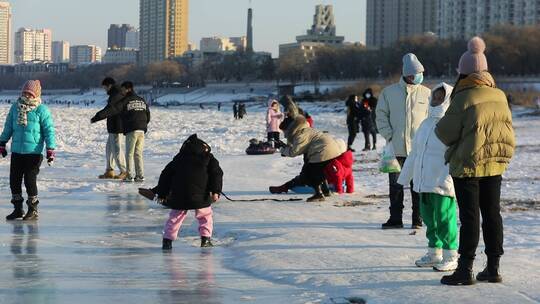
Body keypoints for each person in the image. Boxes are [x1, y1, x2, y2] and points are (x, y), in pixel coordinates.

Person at [435, 37, 515, 286]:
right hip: (495, 163)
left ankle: (465, 269)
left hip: (468, 166)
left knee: (469, 216)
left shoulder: (463, 97)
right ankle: (493, 267)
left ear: (464, 73)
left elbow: (444, 133)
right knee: (492, 214)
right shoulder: (500, 95)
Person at [398, 83, 458, 272]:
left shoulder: (450, 124)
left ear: (448, 100)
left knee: (444, 219)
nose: (437, 101)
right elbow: (415, 153)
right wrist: (404, 178)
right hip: (423, 182)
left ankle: (451, 255)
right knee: (429, 219)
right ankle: (434, 253)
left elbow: (456, 154)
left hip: (441, 182)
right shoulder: (425, 124)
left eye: (441, 98)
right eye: (435, 97)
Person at [139, 134, 223, 250]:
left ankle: (167, 241)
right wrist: (215, 191)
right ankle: (205, 239)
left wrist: (162, 193)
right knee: (205, 216)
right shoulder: (209, 158)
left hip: (179, 194)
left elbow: (166, 176)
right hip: (201, 195)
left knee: (175, 217)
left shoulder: (178, 158)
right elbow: (216, 175)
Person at [376, 53, 431, 230]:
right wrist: (388, 134)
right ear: (407, 74)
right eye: (416, 73)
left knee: (418, 186)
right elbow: (381, 115)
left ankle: (418, 218)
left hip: (418, 149)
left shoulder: (427, 93)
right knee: (396, 186)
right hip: (396, 148)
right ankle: (395, 218)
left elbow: (433, 118)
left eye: (421, 73)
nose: (419, 76)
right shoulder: (389, 93)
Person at [0, 80, 56, 221]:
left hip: (34, 152)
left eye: (30, 93)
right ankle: (18, 209)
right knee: (14, 180)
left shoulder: (41, 110)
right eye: (25, 92)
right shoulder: (15, 107)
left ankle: (33, 209)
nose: (27, 95)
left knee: (30, 181)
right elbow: (8, 127)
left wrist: (50, 149)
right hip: (17, 151)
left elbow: (49, 131)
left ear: (36, 94)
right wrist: (2, 142)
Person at [91, 81, 151, 182]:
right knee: (138, 153)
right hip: (141, 130)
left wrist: (97, 117)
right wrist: (143, 125)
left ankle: (129, 175)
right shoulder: (142, 100)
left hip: (132, 129)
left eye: (123, 89)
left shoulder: (126, 100)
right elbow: (148, 115)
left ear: (128, 89)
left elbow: (112, 110)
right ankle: (140, 175)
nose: (122, 91)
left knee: (129, 153)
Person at [278, 116, 346, 202]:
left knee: (309, 172)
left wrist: (281, 149)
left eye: (284, 131)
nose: (284, 134)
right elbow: (303, 147)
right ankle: (326, 191)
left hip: (322, 150)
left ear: (289, 129)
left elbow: (294, 152)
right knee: (318, 171)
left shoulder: (300, 134)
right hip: (332, 148)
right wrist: (285, 148)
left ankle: (319, 194)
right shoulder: (305, 129)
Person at [92, 77, 127, 180]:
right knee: (109, 149)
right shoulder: (115, 94)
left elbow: (110, 109)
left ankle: (125, 171)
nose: (104, 90)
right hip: (113, 126)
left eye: (104, 87)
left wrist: (97, 117)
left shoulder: (116, 95)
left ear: (109, 85)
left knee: (117, 150)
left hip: (118, 126)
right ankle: (109, 171)